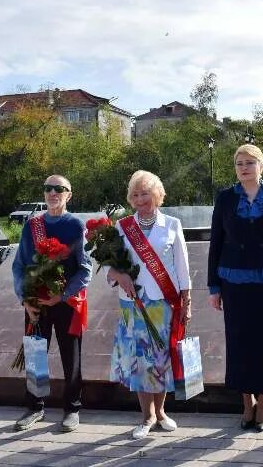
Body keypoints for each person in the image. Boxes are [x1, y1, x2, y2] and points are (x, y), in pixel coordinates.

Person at [208, 144, 263, 432]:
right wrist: (214, 287)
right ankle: (246, 405)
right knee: (240, 344)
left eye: (249, 162)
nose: (243, 168)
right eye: (239, 163)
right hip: (234, 282)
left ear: (261, 166)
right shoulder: (225, 198)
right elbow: (216, 243)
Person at [106, 170, 192, 440]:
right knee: (141, 361)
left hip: (164, 303)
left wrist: (186, 301)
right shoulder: (122, 227)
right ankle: (147, 416)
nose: (141, 198)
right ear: (131, 198)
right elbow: (109, 265)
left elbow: (182, 265)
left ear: (157, 195)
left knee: (160, 359)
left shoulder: (172, 225)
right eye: (136, 194)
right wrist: (119, 276)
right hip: (134, 304)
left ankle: (162, 411)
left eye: (146, 193)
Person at [12, 175, 92, 432]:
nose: (53, 193)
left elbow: (85, 269)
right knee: (36, 356)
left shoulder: (75, 225)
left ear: (69, 194)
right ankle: (35, 407)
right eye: (48, 188)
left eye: (59, 189)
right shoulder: (32, 225)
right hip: (37, 302)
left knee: (72, 358)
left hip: (66, 302)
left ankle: (72, 409)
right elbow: (19, 265)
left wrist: (63, 294)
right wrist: (25, 299)